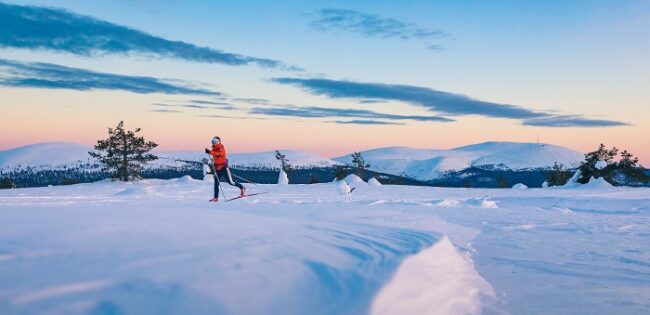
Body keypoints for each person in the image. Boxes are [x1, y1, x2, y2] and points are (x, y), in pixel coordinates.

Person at [205, 136, 245, 202]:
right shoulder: (214, 148)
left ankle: (242, 187)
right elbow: (215, 156)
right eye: (212, 142)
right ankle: (216, 197)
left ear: (218, 142)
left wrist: (210, 152)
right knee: (216, 183)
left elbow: (218, 154)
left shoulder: (221, 148)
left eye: (214, 142)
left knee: (231, 182)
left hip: (224, 168)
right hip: (217, 168)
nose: (213, 143)